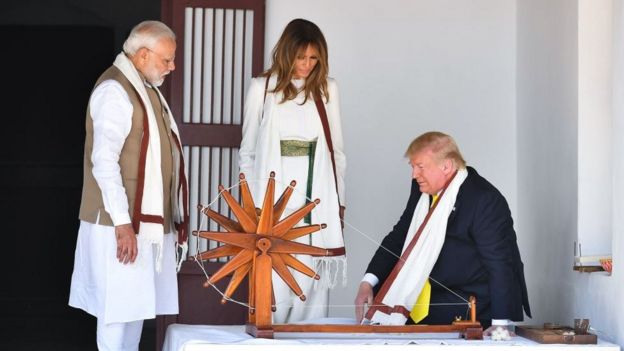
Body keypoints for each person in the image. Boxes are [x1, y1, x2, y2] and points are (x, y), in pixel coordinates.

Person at [69, 20, 189, 350]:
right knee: (116, 310)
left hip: (144, 226)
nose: (172, 66)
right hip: (117, 224)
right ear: (142, 55)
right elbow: (104, 162)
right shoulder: (115, 90)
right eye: (166, 59)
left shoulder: (146, 90)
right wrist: (123, 224)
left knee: (137, 308)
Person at [354, 131, 530, 332]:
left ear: (446, 166)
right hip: (423, 299)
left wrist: (501, 324)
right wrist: (368, 282)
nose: (414, 175)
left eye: (420, 167)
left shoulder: (483, 199)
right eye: (412, 167)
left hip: (468, 304)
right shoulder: (421, 190)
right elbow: (400, 235)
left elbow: (500, 263)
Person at [239, 18, 346, 323]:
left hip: (317, 189)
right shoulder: (262, 87)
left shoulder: (328, 88)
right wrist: (251, 204)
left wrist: (340, 202)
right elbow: (247, 151)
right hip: (274, 190)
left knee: (313, 275)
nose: (307, 65)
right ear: (288, 53)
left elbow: (336, 150)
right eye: (301, 57)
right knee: (274, 272)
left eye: (314, 58)